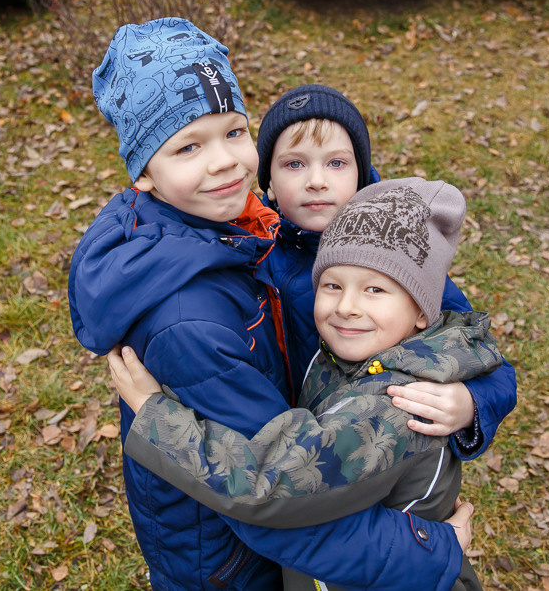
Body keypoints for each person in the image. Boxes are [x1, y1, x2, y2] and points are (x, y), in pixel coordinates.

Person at [69, 17, 471, 591]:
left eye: (234, 132)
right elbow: (275, 497)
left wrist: (474, 401)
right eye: (188, 146)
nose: (225, 162)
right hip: (235, 561)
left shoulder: (243, 228)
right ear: (145, 175)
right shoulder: (189, 320)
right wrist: (430, 551)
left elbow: (454, 323)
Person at [111, 178, 503, 591]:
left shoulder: (394, 403)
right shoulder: (354, 357)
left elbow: (268, 484)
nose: (347, 307)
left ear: (422, 311)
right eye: (333, 285)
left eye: (375, 289)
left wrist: (155, 415)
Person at [254, 84, 517, 457]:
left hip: (376, 446)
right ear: (269, 184)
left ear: (360, 175)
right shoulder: (252, 254)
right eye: (294, 164)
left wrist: (470, 401)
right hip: (284, 448)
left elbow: (483, 358)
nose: (316, 180)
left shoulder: (398, 249)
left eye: (336, 163)